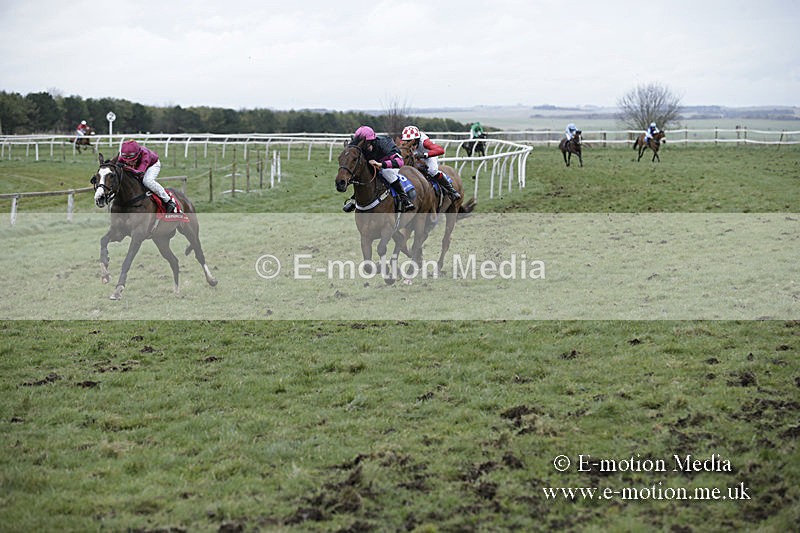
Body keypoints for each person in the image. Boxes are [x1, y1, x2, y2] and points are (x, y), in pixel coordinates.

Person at [342, 126, 414, 213]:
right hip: (374, 165)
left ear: (372, 141)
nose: (363, 146)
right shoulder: (360, 146)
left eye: (366, 143)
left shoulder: (384, 144)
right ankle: (354, 200)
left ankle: (405, 199)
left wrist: (380, 164)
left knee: (386, 172)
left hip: (389, 166)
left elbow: (400, 162)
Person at [114, 139, 179, 213]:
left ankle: (168, 201)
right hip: (138, 166)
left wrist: (126, 167)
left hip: (152, 165)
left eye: (132, 160)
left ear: (138, 154)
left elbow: (140, 172)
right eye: (126, 160)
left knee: (147, 181)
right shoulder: (122, 157)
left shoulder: (145, 154)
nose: (129, 163)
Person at [400, 125, 461, 201]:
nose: (408, 144)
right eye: (406, 141)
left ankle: (451, 190)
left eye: (410, 141)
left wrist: (425, 155)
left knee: (433, 171)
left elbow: (441, 150)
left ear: (416, 140)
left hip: (429, 155)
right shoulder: (404, 141)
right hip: (415, 156)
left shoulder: (425, 142)